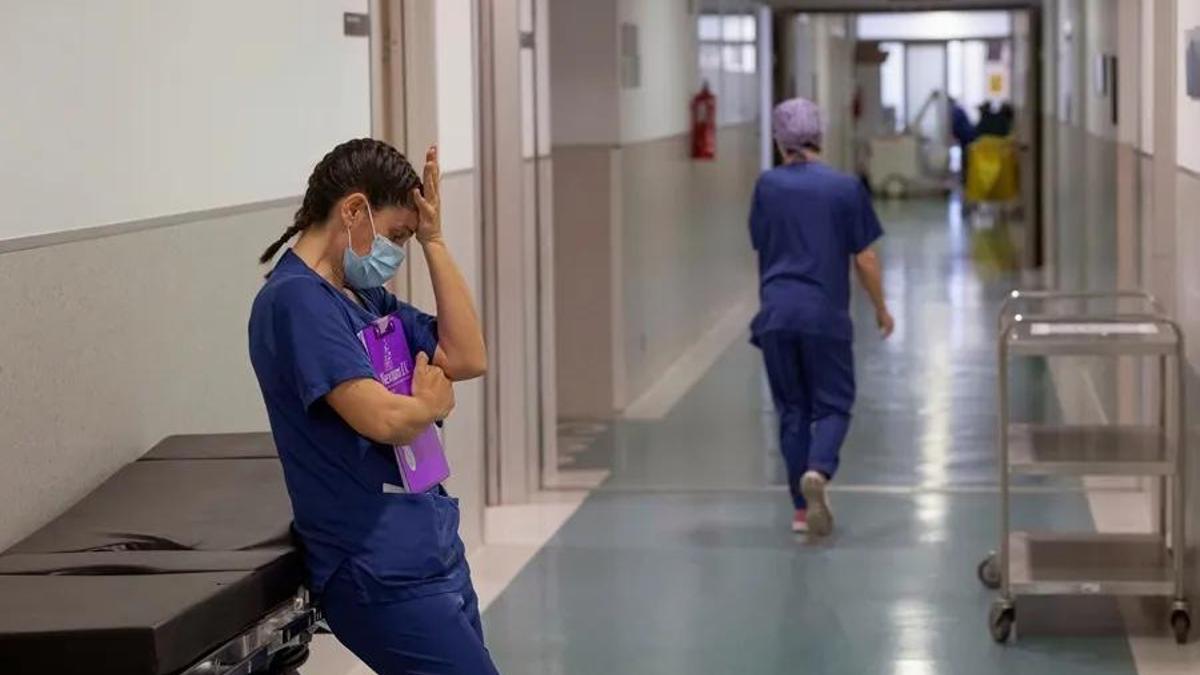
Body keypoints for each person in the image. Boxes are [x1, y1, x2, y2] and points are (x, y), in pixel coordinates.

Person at [248, 138, 496, 674]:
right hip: (374, 564)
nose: (397, 252)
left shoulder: (363, 297)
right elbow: (381, 418)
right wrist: (425, 404)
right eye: (399, 235)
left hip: (427, 543)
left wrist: (434, 239)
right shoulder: (296, 301)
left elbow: (467, 355)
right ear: (355, 210)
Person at [749, 99, 895, 537]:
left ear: (779, 140)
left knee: (792, 410)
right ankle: (818, 470)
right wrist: (881, 308)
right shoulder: (844, 188)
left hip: (776, 313)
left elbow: (761, 242)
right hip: (823, 316)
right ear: (820, 136)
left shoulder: (767, 187)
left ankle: (800, 510)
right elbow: (865, 258)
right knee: (832, 405)